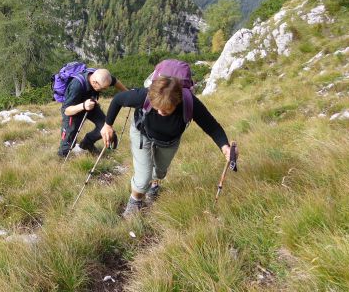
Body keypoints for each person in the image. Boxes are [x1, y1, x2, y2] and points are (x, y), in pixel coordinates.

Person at [100, 74, 231, 218]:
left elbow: (212, 127)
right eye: (157, 108)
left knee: (160, 172)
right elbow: (118, 100)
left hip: (169, 141)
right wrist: (107, 125)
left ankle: (154, 185)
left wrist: (225, 147)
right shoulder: (143, 95)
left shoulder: (189, 103)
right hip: (142, 134)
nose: (161, 112)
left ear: (177, 101)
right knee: (143, 178)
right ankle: (135, 201)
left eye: (167, 110)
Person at [58, 68, 127, 157]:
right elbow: (66, 111)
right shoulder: (77, 85)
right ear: (94, 82)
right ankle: (62, 158)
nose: (104, 90)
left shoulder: (104, 78)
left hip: (91, 106)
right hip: (74, 110)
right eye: (103, 88)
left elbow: (116, 81)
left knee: (105, 126)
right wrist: (83, 106)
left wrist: (127, 93)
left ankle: (87, 143)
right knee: (68, 141)